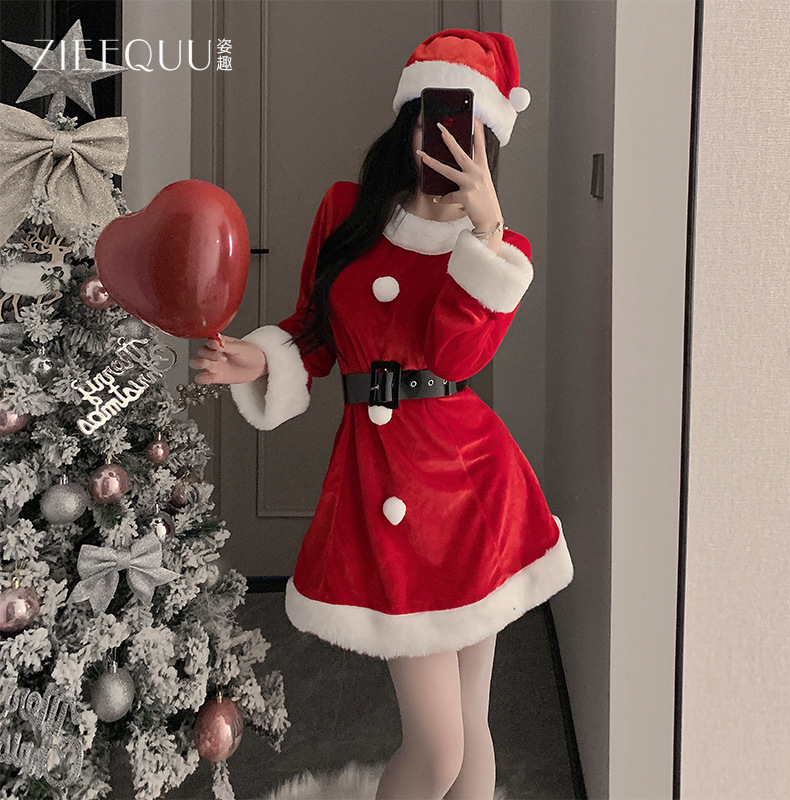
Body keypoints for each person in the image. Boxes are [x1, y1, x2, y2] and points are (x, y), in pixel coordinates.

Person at [191, 28, 574, 800]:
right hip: (386, 484)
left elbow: (457, 358)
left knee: (466, 736)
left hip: (470, 487)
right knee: (438, 747)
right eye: (431, 115)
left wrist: (486, 231)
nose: (444, 137)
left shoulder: (498, 249)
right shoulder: (348, 211)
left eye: (465, 123)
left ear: (487, 137)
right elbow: (315, 330)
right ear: (408, 119)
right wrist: (257, 360)